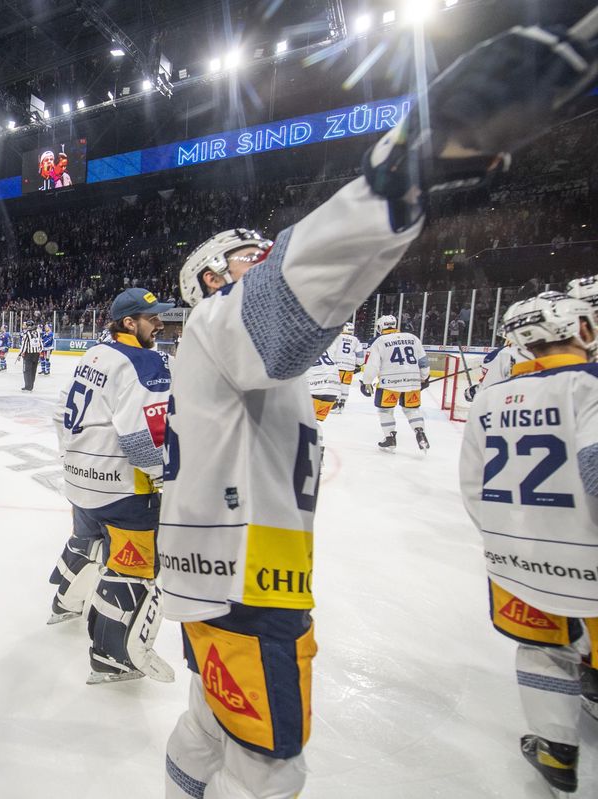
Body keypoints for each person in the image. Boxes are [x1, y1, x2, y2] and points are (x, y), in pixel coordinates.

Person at [159, 23, 598, 797]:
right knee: (269, 766)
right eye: (245, 256)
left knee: (209, 721)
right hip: (246, 582)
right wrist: (405, 166)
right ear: (207, 281)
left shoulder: (226, 347)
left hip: (229, 572)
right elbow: (290, 294)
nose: (263, 256)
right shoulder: (219, 322)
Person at [459, 291, 598, 796]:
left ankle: (556, 750)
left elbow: (472, 482)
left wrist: (504, 539)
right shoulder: (589, 384)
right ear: (580, 328)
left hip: (515, 557)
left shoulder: (490, 398)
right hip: (588, 554)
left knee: (543, 648)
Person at [47, 287, 175, 685]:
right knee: (132, 568)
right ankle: (112, 657)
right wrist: (164, 478)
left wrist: (72, 458)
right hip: (123, 488)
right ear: (129, 323)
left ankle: (65, 602)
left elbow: (60, 411)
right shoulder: (145, 361)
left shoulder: (95, 353)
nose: (160, 323)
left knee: (88, 543)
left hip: (80, 479)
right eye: (152, 317)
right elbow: (140, 434)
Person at [359, 314, 430, 452]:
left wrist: (366, 382)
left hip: (389, 383)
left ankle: (390, 438)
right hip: (412, 381)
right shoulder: (412, 338)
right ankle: (420, 432)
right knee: (412, 410)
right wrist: (424, 377)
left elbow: (373, 365)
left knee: (385, 410)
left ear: (380, 327)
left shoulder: (379, 341)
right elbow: (423, 361)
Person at [329, 321, 364, 412]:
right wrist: (358, 364)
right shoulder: (356, 340)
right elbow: (360, 357)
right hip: (349, 367)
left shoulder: (337, 337)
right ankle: (342, 403)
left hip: (338, 365)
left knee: (335, 384)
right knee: (345, 385)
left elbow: (331, 351)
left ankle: (334, 404)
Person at [305, 344, 342, 422]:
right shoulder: (325, 346)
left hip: (315, 388)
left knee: (301, 422)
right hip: (333, 389)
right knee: (314, 422)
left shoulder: (300, 350)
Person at [19, 320, 43, 391]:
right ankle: (31, 386)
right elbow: (41, 344)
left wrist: (21, 353)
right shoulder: (38, 333)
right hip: (36, 354)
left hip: (28, 354)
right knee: (33, 370)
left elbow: (24, 345)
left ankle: (28, 386)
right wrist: (39, 351)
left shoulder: (27, 333)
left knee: (27, 370)